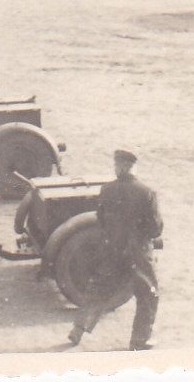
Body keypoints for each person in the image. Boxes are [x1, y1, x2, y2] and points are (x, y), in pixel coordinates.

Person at [68, 149, 162, 351]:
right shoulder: (147, 192)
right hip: (138, 254)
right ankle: (139, 340)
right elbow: (155, 229)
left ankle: (78, 329)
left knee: (99, 290)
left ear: (119, 167)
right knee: (148, 294)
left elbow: (100, 219)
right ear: (133, 168)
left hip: (113, 249)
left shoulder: (106, 189)